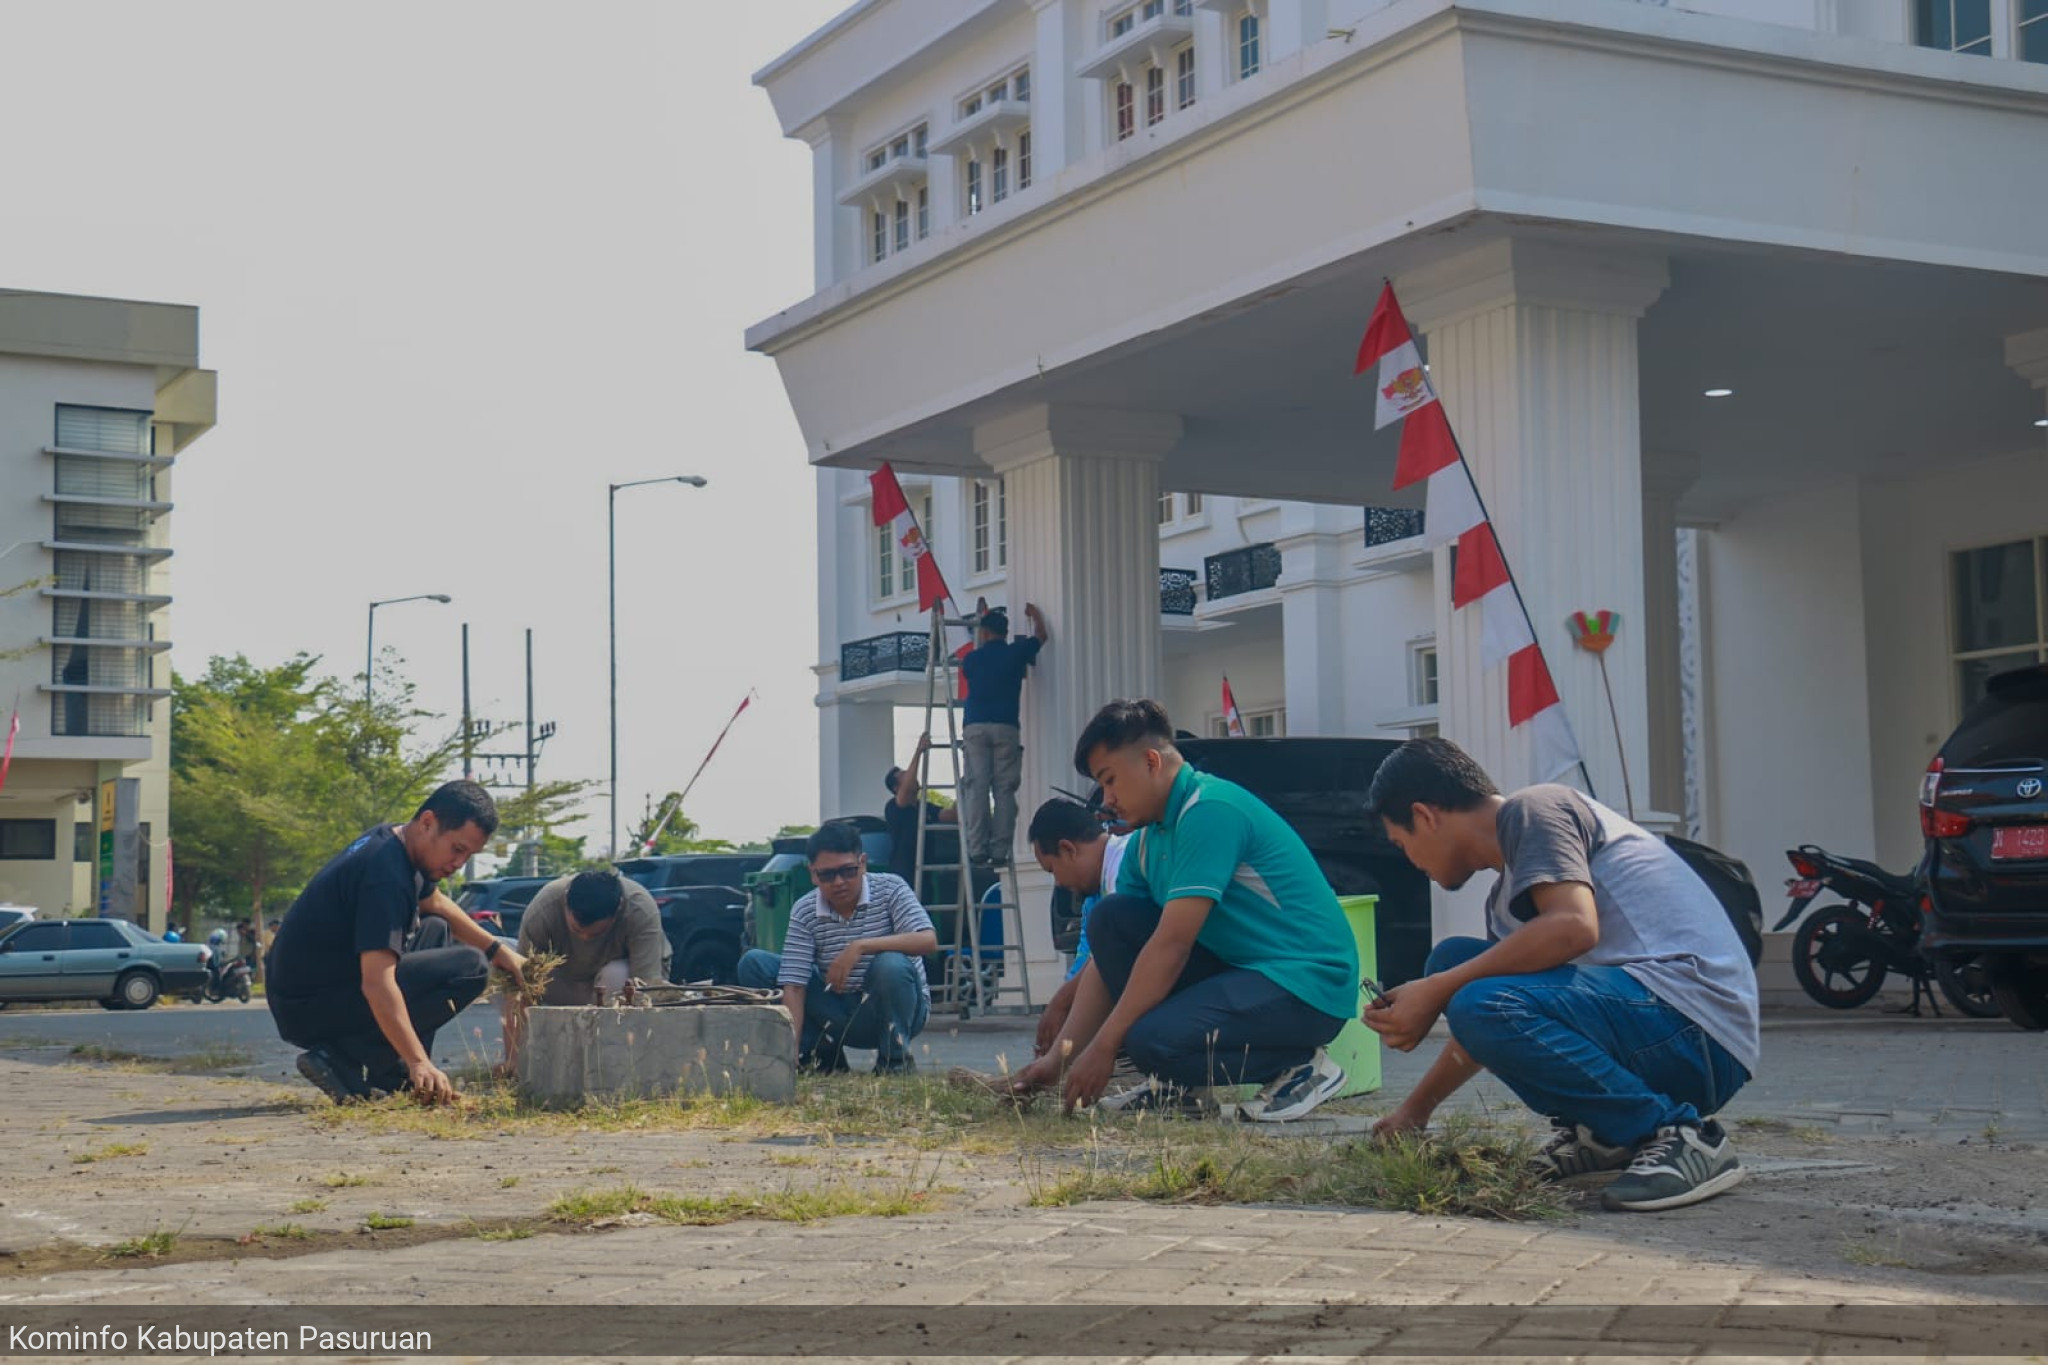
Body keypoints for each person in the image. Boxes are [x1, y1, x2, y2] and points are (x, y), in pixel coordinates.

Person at [1361, 737, 1758, 1213]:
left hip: (1697, 1032)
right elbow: (1490, 1027)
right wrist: (1414, 1111)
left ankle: (1684, 1139)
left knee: (1464, 986)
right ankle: (1607, 1135)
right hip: (1655, 1030)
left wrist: (1437, 991)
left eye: (1402, 845)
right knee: (1455, 965)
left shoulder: (1536, 809)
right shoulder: (1508, 899)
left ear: (1425, 815)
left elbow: (1574, 927)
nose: (1411, 863)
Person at [1008, 700, 1356, 1121]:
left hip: (1306, 982)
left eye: (1111, 780)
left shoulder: (1209, 810)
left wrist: (1105, 1046)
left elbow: (1171, 946)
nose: (1108, 799)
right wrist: (1057, 1061)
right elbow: (1110, 958)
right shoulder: (1147, 841)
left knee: (1149, 1040)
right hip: (1244, 972)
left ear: (1151, 761)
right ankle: (1176, 1090)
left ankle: (1302, 1067)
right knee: (1112, 920)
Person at [265, 781, 524, 1106]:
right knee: (469, 969)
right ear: (428, 822)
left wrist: (500, 952)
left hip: (314, 989)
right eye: (457, 849)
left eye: (469, 855)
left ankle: (389, 1074)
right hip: (308, 1007)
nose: (460, 863)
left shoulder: (395, 842)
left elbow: (436, 903)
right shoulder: (385, 876)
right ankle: (338, 1058)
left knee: (436, 929)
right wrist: (419, 1061)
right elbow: (377, 982)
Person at [737, 821, 937, 1074]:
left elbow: (928, 941)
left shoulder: (891, 888)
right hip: (839, 1010)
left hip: (897, 1011)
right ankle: (821, 1057)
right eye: (827, 875)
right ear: (812, 874)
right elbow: (794, 986)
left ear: (862, 863)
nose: (839, 882)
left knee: (890, 964)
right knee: (754, 963)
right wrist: (791, 1049)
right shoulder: (805, 910)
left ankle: (894, 1063)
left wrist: (860, 947)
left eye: (848, 871)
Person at [497, 867, 670, 1075]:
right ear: (566, 902)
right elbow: (519, 986)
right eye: (578, 931)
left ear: (619, 909)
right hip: (565, 981)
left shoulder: (640, 908)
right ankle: (538, 1053)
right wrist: (515, 1060)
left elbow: (646, 988)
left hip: (612, 987)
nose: (586, 939)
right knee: (502, 962)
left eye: (597, 933)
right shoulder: (544, 909)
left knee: (619, 975)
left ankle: (612, 1061)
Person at [1024, 797, 1130, 1058]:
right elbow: (1086, 961)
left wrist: (1062, 1003)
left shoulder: (1127, 864)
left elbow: (1117, 958)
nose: (1058, 883)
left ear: (1068, 849)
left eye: (1052, 870)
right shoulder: (1094, 896)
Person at [957, 603, 1047, 866]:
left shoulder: (972, 660)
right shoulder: (1015, 653)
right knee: (1004, 790)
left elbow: (975, 660)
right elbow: (1042, 637)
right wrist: (1036, 616)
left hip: (975, 727)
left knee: (977, 788)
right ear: (1006, 632)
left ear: (984, 633)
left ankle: (976, 848)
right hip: (1006, 726)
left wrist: (981, 623)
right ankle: (999, 850)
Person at [883, 733, 958, 883]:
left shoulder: (924, 807)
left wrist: (963, 789)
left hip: (925, 873)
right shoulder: (894, 807)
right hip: (904, 875)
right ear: (896, 787)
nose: (912, 776)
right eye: (905, 775)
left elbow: (952, 816)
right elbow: (906, 790)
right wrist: (919, 752)